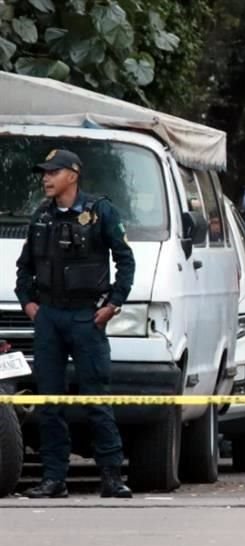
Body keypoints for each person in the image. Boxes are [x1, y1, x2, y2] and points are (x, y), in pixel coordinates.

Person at [14, 149, 135, 498]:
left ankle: (111, 477)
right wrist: (29, 303)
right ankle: (54, 478)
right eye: (44, 173)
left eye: (53, 172)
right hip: (50, 317)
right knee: (50, 401)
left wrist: (113, 304)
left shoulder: (100, 212)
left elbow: (125, 260)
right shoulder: (41, 216)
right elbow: (25, 267)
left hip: (86, 316)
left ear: (73, 174)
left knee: (96, 397)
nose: (46, 178)